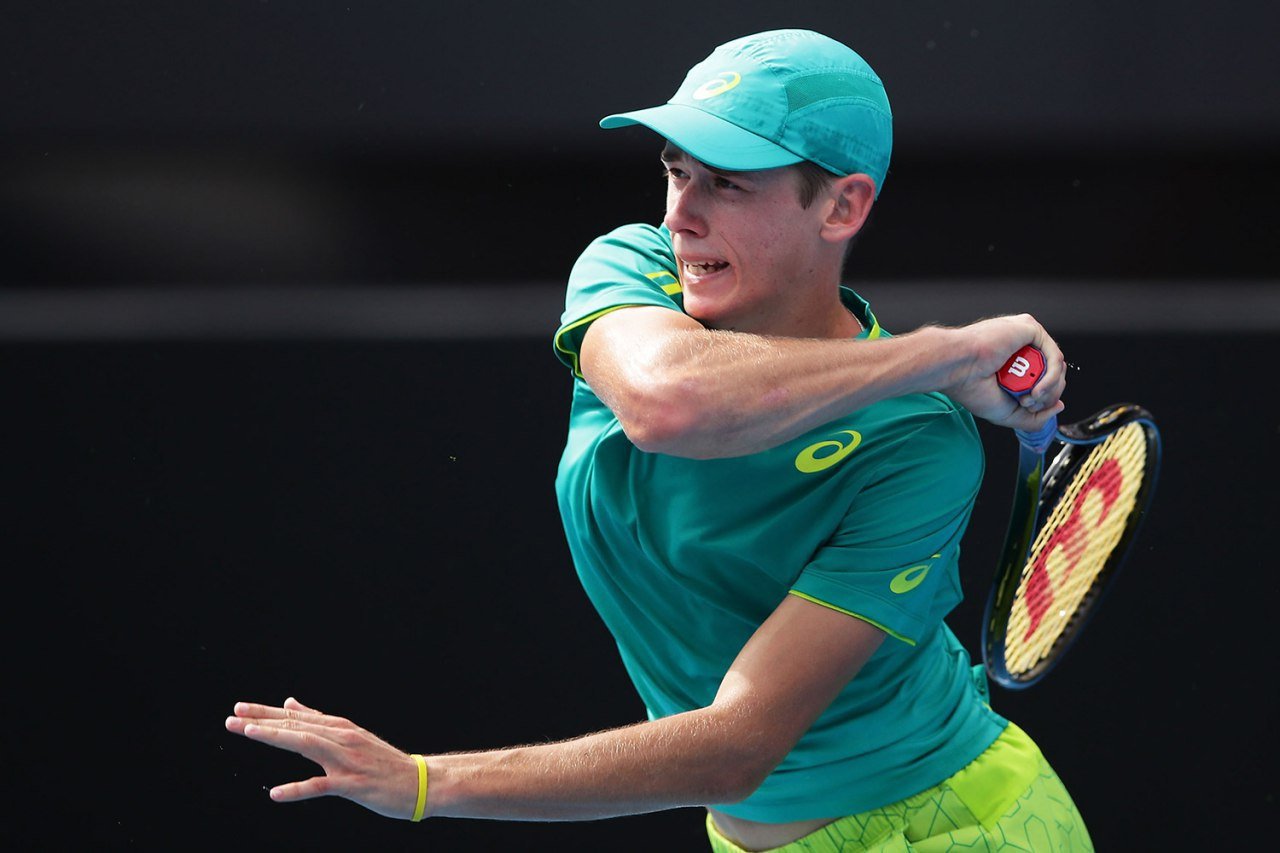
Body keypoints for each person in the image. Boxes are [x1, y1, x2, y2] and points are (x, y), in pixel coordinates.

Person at [227, 29, 1093, 851]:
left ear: (842, 205)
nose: (682, 214)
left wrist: (426, 781)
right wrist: (949, 352)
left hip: (956, 827)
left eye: (728, 184)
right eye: (676, 172)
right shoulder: (634, 270)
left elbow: (735, 749)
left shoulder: (917, 446)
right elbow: (669, 399)